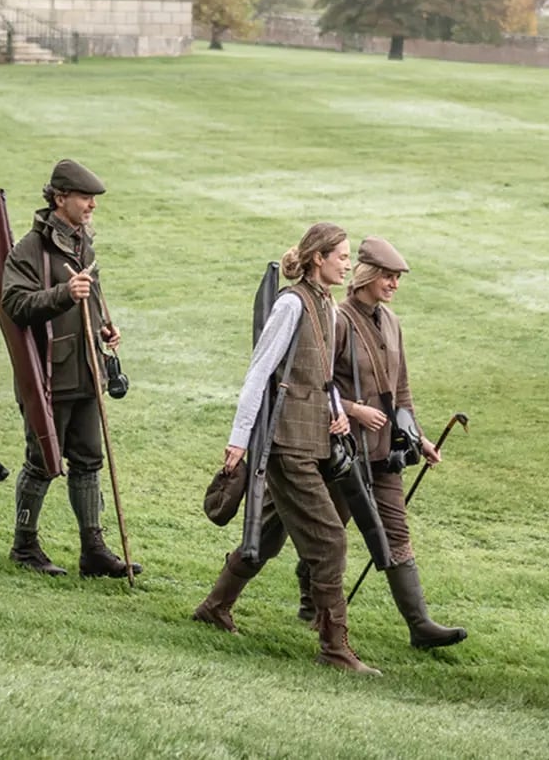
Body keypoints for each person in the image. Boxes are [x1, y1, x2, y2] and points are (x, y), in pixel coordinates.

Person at [191, 223, 379, 674]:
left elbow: (323, 377)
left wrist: (336, 409)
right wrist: (238, 441)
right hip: (284, 442)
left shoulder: (329, 309)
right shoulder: (291, 303)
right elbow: (259, 373)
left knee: (270, 534)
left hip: (310, 437)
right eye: (342, 256)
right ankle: (335, 648)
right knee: (330, 540)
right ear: (319, 258)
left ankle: (214, 608)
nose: (348, 263)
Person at [285, 236, 466, 648]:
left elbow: (400, 391)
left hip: (385, 454)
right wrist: (353, 409)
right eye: (387, 276)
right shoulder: (338, 320)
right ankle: (312, 603)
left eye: (397, 278)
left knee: (396, 533)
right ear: (366, 275)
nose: (393, 285)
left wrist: (419, 439)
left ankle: (420, 626)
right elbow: (316, 383)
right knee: (330, 530)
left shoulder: (392, 323)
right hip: (345, 452)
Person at [0, 159, 142, 579]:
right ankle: (24, 545)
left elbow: (89, 301)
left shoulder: (83, 244)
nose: (92, 205)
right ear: (60, 198)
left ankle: (92, 551)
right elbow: (14, 305)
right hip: (48, 376)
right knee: (42, 460)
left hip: (86, 372)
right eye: (84, 197)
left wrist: (104, 329)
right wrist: (63, 293)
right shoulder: (29, 250)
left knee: (89, 460)